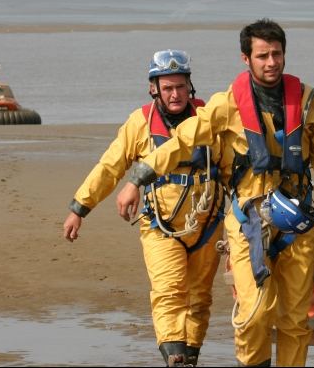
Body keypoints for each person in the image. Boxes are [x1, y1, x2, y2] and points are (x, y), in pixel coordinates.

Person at [117, 19, 314, 367]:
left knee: (296, 320)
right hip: (249, 221)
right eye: (262, 55)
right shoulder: (226, 104)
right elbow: (183, 140)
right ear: (245, 59)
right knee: (255, 313)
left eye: (277, 54)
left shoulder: (312, 103)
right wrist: (137, 179)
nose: (271, 62)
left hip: (298, 223)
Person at [63, 49, 230, 366]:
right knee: (169, 291)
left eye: (180, 86)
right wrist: (79, 208)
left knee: (199, 299)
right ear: (154, 88)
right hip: (160, 226)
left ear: (189, 86)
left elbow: (231, 167)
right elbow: (109, 167)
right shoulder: (139, 123)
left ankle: (190, 356)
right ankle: (175, 357)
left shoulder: (208, 119)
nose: (175, 94)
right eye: (167, 87)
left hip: (208, 225)